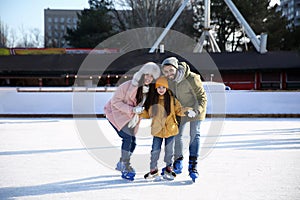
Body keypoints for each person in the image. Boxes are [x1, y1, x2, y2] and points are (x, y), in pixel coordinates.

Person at [104, 62, 160, 181]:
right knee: (127, 138)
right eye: (147, 75)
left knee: (133, 142)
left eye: (152, 77)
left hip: (131, 118)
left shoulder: (149, 91)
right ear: (142, 74)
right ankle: (125, 165)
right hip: (115, 114)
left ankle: (121, 162)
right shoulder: (128, 85)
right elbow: (115, 102)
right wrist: (133, 109)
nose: (149, 78)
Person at [161, 57, 207, 182]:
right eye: (165, 72)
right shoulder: (168, 80)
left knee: (194, 134)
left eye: (171, 70)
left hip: (195, 110)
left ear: (176, 68)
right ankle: (178, 160)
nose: (169, 74)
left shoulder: (192, 78)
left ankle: (193, 165)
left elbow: (202, 97)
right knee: (177, 134)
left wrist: (196, 110)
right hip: (180, 111)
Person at [140, 76, 191, 180]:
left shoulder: (172, 100)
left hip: (170, 129)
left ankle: (168, 169)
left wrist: (187, 110)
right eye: (159, 87)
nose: (161, 89)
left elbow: (179, 110)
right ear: (156, 89)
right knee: (155, 150)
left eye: (163, 87)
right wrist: (140, 111)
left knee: (169, 152)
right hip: (157, 130)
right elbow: (148, 114)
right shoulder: (153, 100)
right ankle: (153, 170)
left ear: (167, 88)